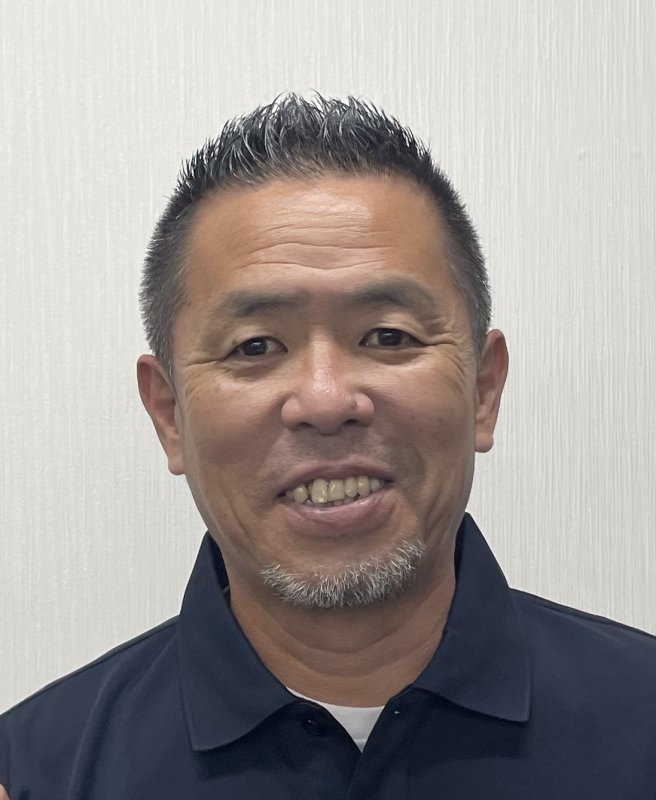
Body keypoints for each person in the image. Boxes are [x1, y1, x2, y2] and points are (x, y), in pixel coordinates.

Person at [1, 94, 655, 799]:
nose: (325, 400)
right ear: (169, 415)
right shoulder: (35, 774)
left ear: (483, 391)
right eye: (255, 346)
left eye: (388, 336)